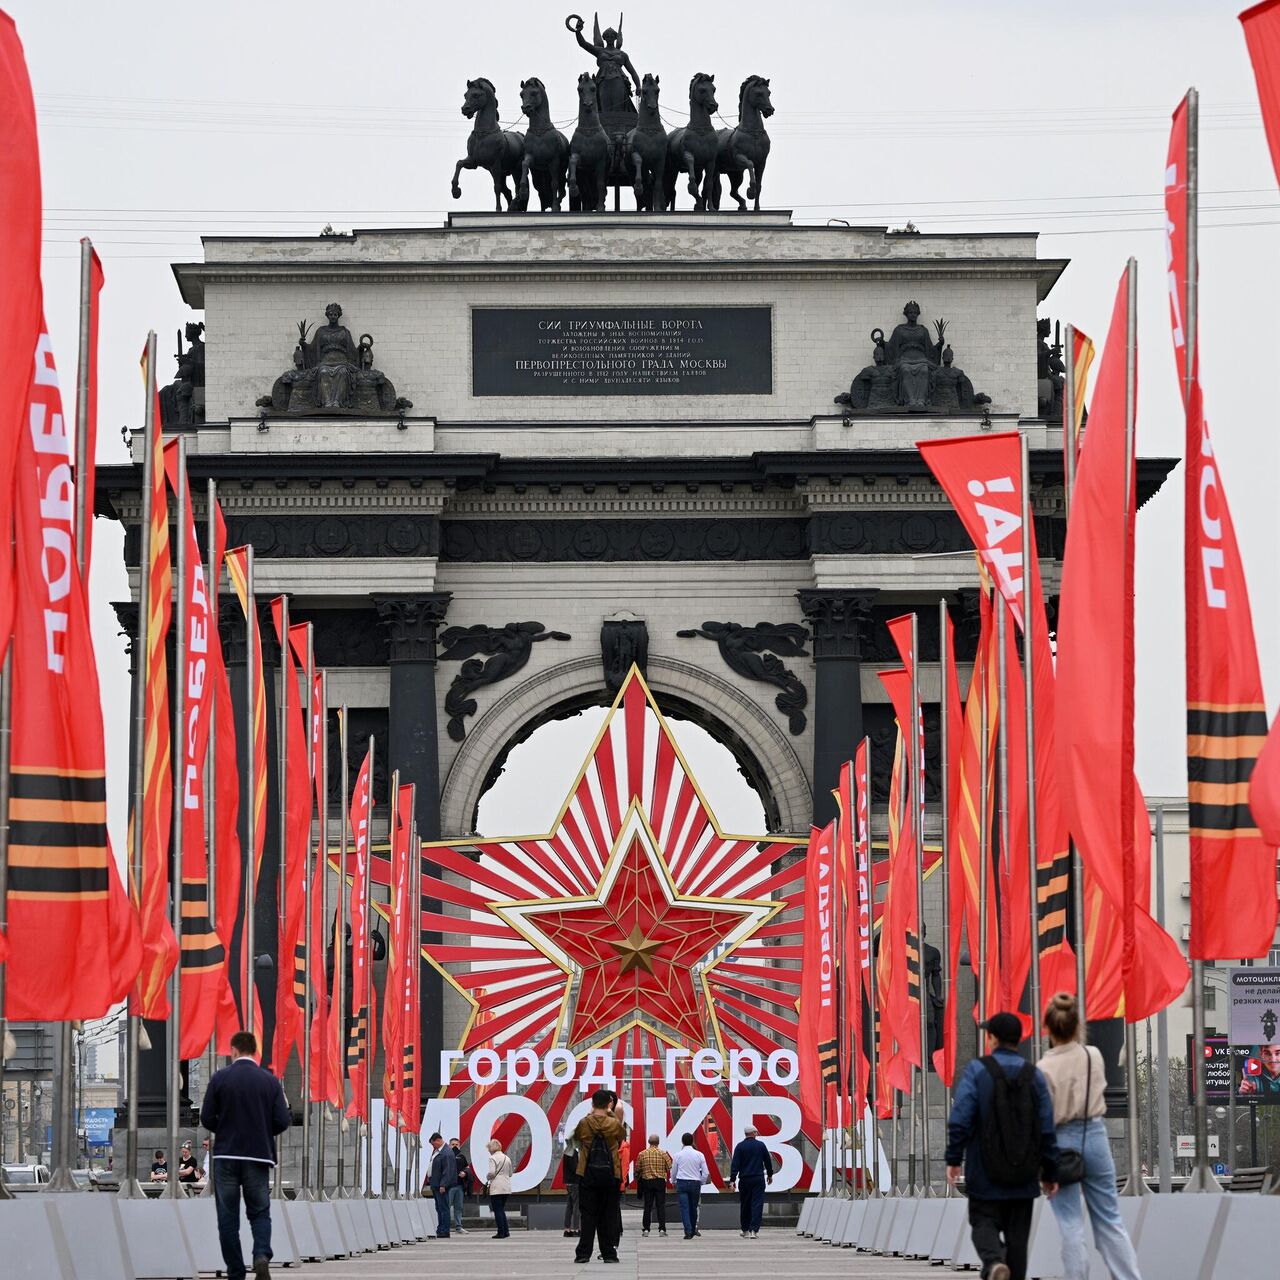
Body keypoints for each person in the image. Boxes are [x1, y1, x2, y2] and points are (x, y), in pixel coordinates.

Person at [945, 1011, 1059, 1280]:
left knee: (982, 1222)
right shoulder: (1035, 1076)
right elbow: (1046, 1128)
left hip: (984, 1171)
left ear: (993, 1038)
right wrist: (1050, 1172)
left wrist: (953, 1158)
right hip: (1024, 1173)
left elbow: (960, 1118)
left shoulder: (977, 1071)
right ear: (1018, 1040)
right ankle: (1008, 1270)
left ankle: (994, 1261)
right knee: (1018, 1241)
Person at [1038, 994, 1140, 1280]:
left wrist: (1045, 1167)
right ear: (1077, 1025)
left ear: (1048, 1028)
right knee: (1109, 1218)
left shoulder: (1043, 1068)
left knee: (1069, 1223)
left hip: (1060, 1141)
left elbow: (1043, 1120)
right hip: (1094, 1135)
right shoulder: (1092, 1055)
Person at [199, 1030, 291, 1280]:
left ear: (234, 1051)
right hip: (257, 1156)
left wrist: (226, 1127)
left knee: (227, 1217)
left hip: (226, 1156)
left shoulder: (220, 1078)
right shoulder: (270, 1082)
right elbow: (283, 1120)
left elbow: (206, 1118)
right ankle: (261, 1254)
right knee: (260, 1212)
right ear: (254, 1051)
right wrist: (260, 1129)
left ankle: (236, 1273)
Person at [572, 1087, 626, 1265]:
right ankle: (609, 1254)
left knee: (587, 1214)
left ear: (593, 1103)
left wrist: (591, 1114)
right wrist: (610, 1114)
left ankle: (583, 1254)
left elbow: (576, 1138)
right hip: (611, 1173)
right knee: (608, 1215)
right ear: (609, 1104)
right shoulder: (614, 1124)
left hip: (586, 1172)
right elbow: (621, 1137)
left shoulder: (584, 1123)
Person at [729, 1125, 773, 1238]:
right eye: (756, 1132)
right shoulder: (760, 1145)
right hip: (758, 1178)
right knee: (757, 1204)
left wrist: (732, 1180)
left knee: (745, 1205)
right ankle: (754, 1230)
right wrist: (770, 1174)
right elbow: (767, 1161)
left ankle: (745, 1230)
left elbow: (735, 1165)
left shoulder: (740, 1147)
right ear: (753, 1133)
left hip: (744, 1179)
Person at [670, 1132, 710, 1241]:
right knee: (693, 1207)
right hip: (695, 1183)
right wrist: (701, 1182)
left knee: (684, 1208)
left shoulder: (677, 1155)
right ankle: (693, 1229)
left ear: (682, 1142)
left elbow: (673, 1172)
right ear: (692, 1141)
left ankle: (687, 1231)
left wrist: (673, 1181)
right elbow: (705, 1172)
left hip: (682, 1183)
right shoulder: (699, 1154)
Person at [634, 1134, 672, 1237]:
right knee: (661, 1206)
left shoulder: (642, 1154)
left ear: (648, 1142)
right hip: (660, 1182)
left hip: (647, 1182)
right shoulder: (663, 1154)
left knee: (647, 1206)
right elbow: (669, 1166)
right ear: (658, 1142)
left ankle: (646, 1229)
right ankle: (662, 1230)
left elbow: (638, 1169)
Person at [427, 1133, 458, 1239]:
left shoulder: (446, 1153)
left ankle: (445, 1230)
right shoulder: (438, 1152)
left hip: (441, 1185)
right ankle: (440, 1228)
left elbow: (447, 1171)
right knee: (439, 1208)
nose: (433, 1146)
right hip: (436, 1184)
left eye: (433, 1144)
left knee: (444, 1208)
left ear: (438, 1140)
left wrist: (443, 1184)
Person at [485, 1138, 513, 1240]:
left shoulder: (492, 1158)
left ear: (492, 1148)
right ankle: (506, 1231)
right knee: (501, 1209)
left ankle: (501, 1232)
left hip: (497, 1187)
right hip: (506, 1186)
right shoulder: (507, 1158)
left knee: (497, 1210)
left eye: (489, 1148)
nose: (488, 1150)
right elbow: (510, 1173)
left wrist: (488, 1177)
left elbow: (492, 1172)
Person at [448, 1138, 470, 1233]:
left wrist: (465, 1173)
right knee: (447, 1206)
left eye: (456, 1144)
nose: (455, 1146)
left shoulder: (462, 1156)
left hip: (459, 1185)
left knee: (459, 1207)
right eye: (453, 1144)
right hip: (449, 1186)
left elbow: (467, 1168)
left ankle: (458, 1226)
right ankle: (446, 1226)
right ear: (449, 1145)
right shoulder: (447, 1156)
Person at [562, 1136, 582, 1238]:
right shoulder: (573, 1153)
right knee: (576, 1206)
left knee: (569, 1206)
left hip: (568, 1182)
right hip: (575, 1182)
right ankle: (576, 1228)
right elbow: (576, 1169)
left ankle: (567, 1229)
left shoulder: (566, 1152)